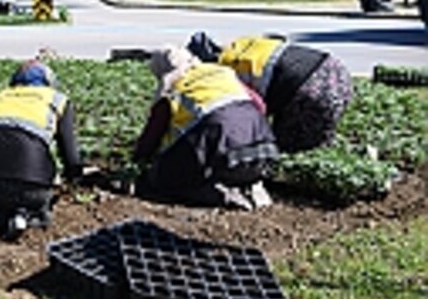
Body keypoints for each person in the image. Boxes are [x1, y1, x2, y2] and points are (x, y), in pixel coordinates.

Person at [133, 47, 280, 210]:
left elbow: (152, 136)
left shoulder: (172, 90)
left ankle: (222, 194)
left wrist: (138, 159)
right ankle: (252, 186)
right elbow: (260, 105)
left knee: (162, 179)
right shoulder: (222, 72)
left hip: (222, 153)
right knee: (229, 161)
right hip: (262, 149)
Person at [0, 60, 82, 236]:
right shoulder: (58, 100)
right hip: (31, 187)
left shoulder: (2, 96)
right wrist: (74, 178)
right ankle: (24, 216)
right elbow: (70, 154)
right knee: (31, 198)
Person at [187, 32, 353, 153]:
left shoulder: (226, 74)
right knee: (317, 139)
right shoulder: (241, 46)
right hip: (337, 72)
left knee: (283, 149)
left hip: (310, 89)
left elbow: (255, 111)